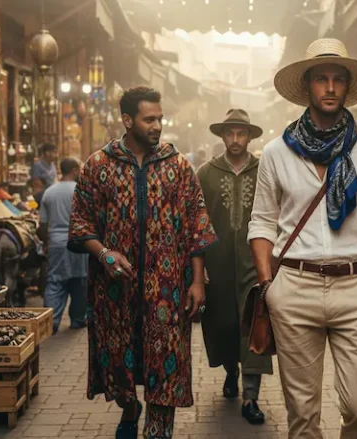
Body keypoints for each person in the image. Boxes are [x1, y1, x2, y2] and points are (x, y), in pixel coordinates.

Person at [248, 38, 357, 439]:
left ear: (347, 87)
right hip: (294, 287)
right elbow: (262, 225)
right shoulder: (276, 153)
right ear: (309, 86)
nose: (330, 87)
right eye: (322, 79)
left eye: (338, 79)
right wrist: (270, 287)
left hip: (356, 287)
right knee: (302, 416)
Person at [67, 86, 218, 439]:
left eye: (160, 119)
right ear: (127, 120)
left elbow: (198, 225)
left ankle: (157, 429)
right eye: (149, 119)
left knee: (165, 363)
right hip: (115, 291)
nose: (157, 126)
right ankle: (129, 407)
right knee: (120, 366)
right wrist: (103, 253)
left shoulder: (177, 166)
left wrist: (196, 281)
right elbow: (80, 223)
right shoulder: (98, 166)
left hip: (166, 290)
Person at [197, 108, 271, 425]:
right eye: (231, 133)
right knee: (225, 326)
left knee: (256, 326)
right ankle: (231, 370)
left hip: (256, 263)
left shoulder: (265, 170)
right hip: (218, 264)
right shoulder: (206, 173)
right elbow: (196, 223)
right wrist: (198, 269)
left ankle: (250, 397)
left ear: (250, 136)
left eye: (242, 133)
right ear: (223, 136)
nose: (236, 139)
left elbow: (277, 214)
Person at [37, 158, 88, 334]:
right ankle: (77, 319)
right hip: (80, 242)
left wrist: (46, 244)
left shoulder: (49, 192)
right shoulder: (80, 191)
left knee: (54, 282)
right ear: (74, 170)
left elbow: (42, 225)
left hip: (56, 243)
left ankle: (51, 322)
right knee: (80, 280)